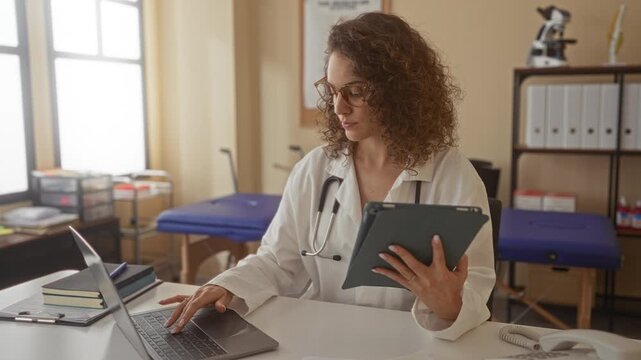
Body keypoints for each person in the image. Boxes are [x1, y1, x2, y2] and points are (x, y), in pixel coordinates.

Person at [160, 12, 495, 341]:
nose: (338, 107)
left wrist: (451, 304)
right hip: (320, 341)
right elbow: (278, 260)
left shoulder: (454, 176)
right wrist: (227, 283)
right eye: (333, 91)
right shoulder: (316, 169)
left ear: (399, 90)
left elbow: (476, 285)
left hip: (411, 346)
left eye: (355, 91)